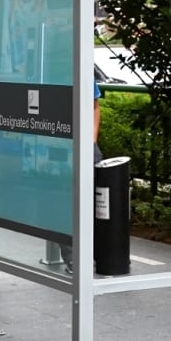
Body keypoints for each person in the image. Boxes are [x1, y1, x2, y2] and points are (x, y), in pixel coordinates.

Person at [60, 79, 102, 273]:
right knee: (64, 201)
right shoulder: (51, 70)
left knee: (92, 199)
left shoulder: (84, 70)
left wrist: (92, 140)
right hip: (60, 145)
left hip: (86, 147)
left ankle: (93, 252)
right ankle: (72, 257)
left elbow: (94, 107)